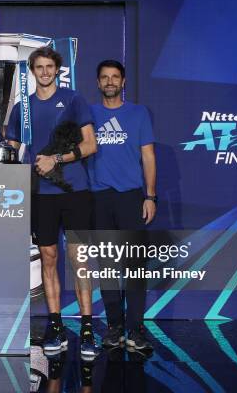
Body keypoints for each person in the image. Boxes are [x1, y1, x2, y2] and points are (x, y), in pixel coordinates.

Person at [6, 47, 98, 357]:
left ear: (57, 69)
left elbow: (90, 145)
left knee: (79, 260)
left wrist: (56, 158)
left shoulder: (74, 100)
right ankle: (55, 324)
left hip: (75, 191)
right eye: (39, 67)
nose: (45, 72)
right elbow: (10, 149)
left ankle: (87, 328)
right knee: (47, 257)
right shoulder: (22, 108)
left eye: (50, 67)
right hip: (40, 195)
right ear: (32, 71)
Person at [88, 59, 156, 351]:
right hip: (98, 198)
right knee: (106, 267)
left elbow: (149, 157)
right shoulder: (87, 114)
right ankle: (115, 326)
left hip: (131, 196)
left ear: (123, 81)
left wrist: (150, 196)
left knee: (135, 266)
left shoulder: (139, 113)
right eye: (105, 77)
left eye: (115, 77)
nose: (110, 82)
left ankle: (136, 328)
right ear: (98, 83)